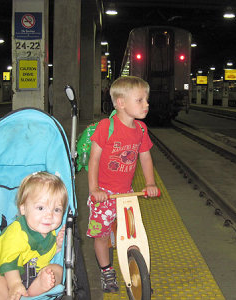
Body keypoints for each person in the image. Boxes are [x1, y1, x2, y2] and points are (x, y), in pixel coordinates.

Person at [87, 76, 159, 293]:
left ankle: (137, 273)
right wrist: (94, 190)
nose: (146, 104)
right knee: (101, 235)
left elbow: (145, 158)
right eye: (140, 100)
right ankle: (106, 271)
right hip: (104, 194)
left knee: (133, 234)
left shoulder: (141, 130)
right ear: (121, 103)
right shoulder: (106, 126)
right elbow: (94, 160)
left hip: (126, 193)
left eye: (146, 99)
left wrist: (150, 183)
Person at [0, 171, 68, 300]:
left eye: (57, 210)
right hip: (5, 274)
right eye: (40, 208)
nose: (49, 215)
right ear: (23, 209)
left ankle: (36, 289)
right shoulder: (16, 232)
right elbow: (7, 260)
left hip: (34, 275)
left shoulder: (50, 232)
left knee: (58, 270)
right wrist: (15, 283)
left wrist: (57, 246)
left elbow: (43, 256)